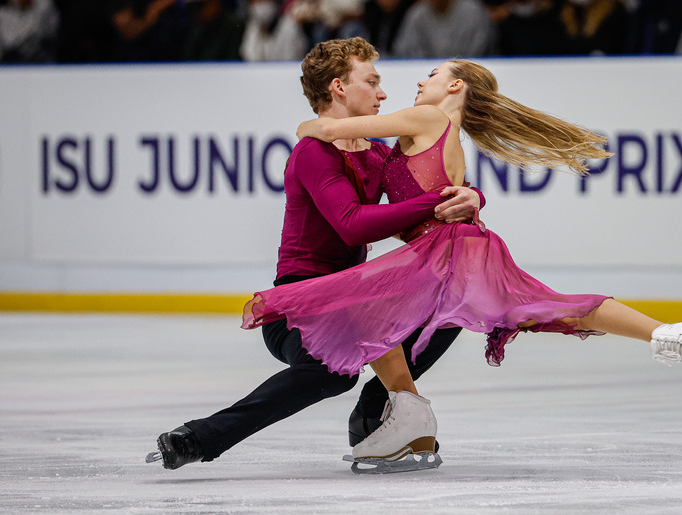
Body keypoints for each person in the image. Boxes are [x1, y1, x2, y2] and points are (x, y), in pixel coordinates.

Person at [244, 58, 682, 467]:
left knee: (370, 310)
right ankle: (676, 336)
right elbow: (420, 211)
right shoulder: (443, 132)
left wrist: (313, 128)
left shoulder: (427, 120)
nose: (418, 83)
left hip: (446, 256)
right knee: (546, 308)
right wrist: (473, 196)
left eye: (432, 75)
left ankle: (409, 415)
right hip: (450, 252)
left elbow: (325, 127)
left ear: (454, 86)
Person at [148, 37, 483, 469]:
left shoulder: (378, 155)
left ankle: (376, 414)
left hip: (351, 302)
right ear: (339, 86)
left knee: (450, 307)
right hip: (298, 306)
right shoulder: (313, 152)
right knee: (331, 372)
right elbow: (352, 225)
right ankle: (199, 437)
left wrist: (470, 197)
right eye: (372, 82)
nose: (383, 94)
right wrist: (436, 202)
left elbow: (420, 199)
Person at [178, 0, 244, 60]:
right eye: (192, 8)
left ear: (215, 0)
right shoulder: (194, 29)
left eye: (200, 5)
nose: (197, 12)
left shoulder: (235, 26)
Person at [239, 0, 308, 61]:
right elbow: (248, 57)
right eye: (257, 0)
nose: (261, 5)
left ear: (276, 1)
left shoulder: (290, 27)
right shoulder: (252, 28)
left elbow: (291, 59)